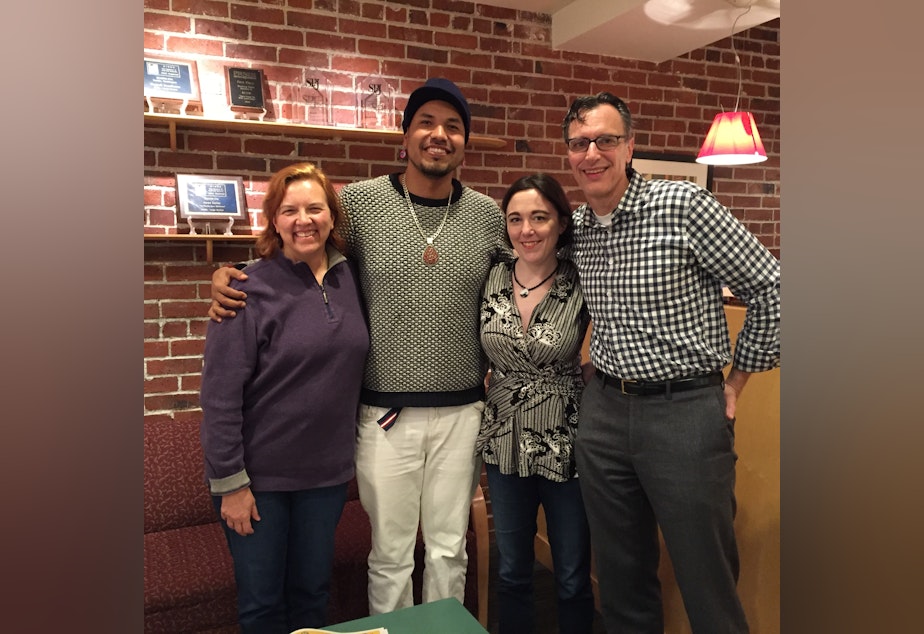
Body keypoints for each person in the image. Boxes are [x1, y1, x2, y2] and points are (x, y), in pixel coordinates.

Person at [207, 78, 511, 616]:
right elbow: (299, 242)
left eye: (453, 127)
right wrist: (231, 275)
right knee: (391, 554)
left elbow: (535, 262)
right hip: (384, 414)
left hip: (464, 409)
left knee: (448, 548)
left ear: (465, 141)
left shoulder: (489, 216)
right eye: (426, 123)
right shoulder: (360, 202)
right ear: (406, 133)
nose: (439, 136)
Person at [561, 92, 781, 634]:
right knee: (619, 579)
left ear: (629, 146)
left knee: (707, 580)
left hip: (685, 413)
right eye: (579, 143)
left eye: (606, 140)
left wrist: (736, 381)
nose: (592, 153)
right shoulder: (581, 227)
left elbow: (772, 287)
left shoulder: (686, 207)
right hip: (605, 413)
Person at [199, 162, 370, 633]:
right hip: (258, 482)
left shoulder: (354, 280)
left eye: (315, 208)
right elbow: (218, 396)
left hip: (326, 478)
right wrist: (230, 483)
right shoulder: (245, 289)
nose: (304, 220)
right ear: (274, 220)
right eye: (290, 210)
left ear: (332, 217)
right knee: (262, 605)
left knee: (313, 595)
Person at [477, 173, 596, 634]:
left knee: (569, 574)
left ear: (562, 223)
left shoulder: (582, 277)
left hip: (566, 440)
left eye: (540, 217)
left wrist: (588, 376)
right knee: (512, 571)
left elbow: (618, 334)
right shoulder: (490, 275)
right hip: (503, 439)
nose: (527, 229)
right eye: (516, 219)